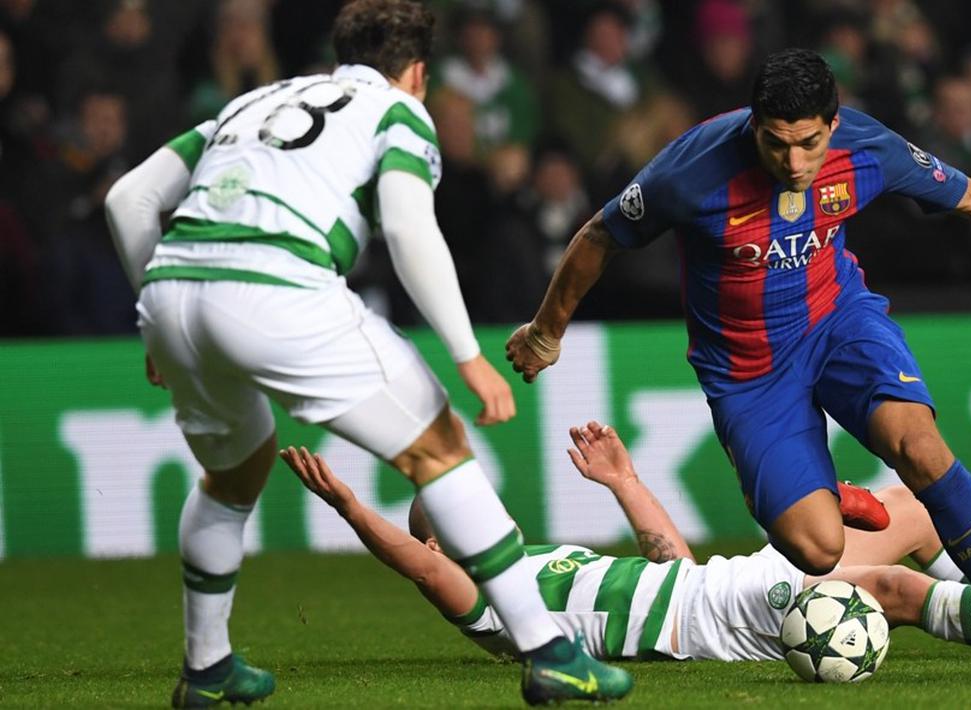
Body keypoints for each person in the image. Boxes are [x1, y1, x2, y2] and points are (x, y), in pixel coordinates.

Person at [506, 49, 971, 679]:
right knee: (817, 549)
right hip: (749, 372)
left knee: (921, 450)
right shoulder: (691, 170)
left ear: (833, 125)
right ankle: (829, 493)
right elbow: (599, 236)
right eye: (776, 143)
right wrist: (545, 330)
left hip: (839, 323)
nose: (793, 162)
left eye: (808, 143)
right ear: (754, 126)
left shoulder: (865, 147)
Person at [103, 1, 630, 706]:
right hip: (278, 288)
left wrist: (156, 319)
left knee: (230, 477)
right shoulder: (397, 111)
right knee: (439, 450)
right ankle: (550, 651)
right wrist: (466, 353)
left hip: (173, 292)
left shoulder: (252, 101)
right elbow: (410, 229)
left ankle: (207, 668)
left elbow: (127, 198)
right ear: (416, 70)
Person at [279, 420, 971, 662]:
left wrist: (625, 482)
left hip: (716, 587)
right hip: (717, 626)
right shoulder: (496, 610)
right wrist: (358, 509)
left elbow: (672, 567)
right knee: (886, 591)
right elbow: (423, 565)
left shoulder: (548, 565)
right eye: (455, 517)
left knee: (912, 510)